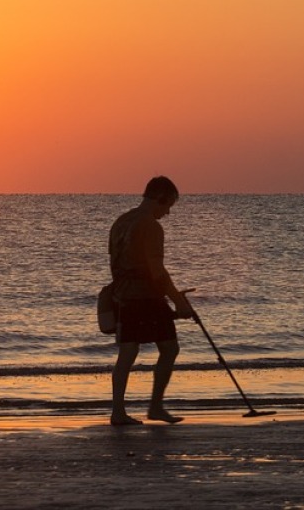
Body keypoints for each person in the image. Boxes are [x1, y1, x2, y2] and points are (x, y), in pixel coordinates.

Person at [108, 176, 195, 426]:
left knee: (127, 352)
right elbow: (157, 270)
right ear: (160, 198)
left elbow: (114, 262)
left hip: (123, 295)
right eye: (168, 206)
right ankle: (155, 407)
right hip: (146, 295)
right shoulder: (151, 226)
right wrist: (178, 301)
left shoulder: (121, 221)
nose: (167, 213)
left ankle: (118, 412)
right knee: (169, 348)